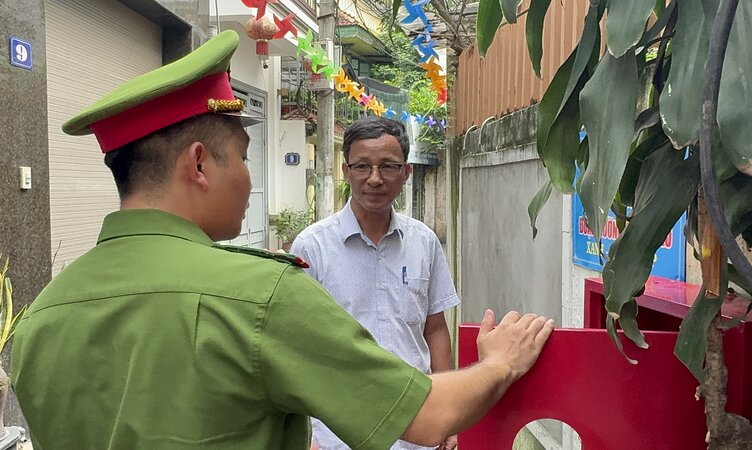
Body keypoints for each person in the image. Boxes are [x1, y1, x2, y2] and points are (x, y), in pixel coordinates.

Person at [11, 30, 555, 450]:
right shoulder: (261, 295)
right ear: (199, 164)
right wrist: (499, 363)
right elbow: (429, 414)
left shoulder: (39, 320)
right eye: (245, 159)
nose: (251, 181)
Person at [291, 117, 459, 450]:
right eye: (362, 166)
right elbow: (296, 344)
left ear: (406, 173)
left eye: (388, 167)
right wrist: (307, 429)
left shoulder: (424, 243)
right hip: (338, 431)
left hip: (417, 425)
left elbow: (435, 329)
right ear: (346, 170)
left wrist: (449, 415)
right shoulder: (312, 247)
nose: (375, 179)